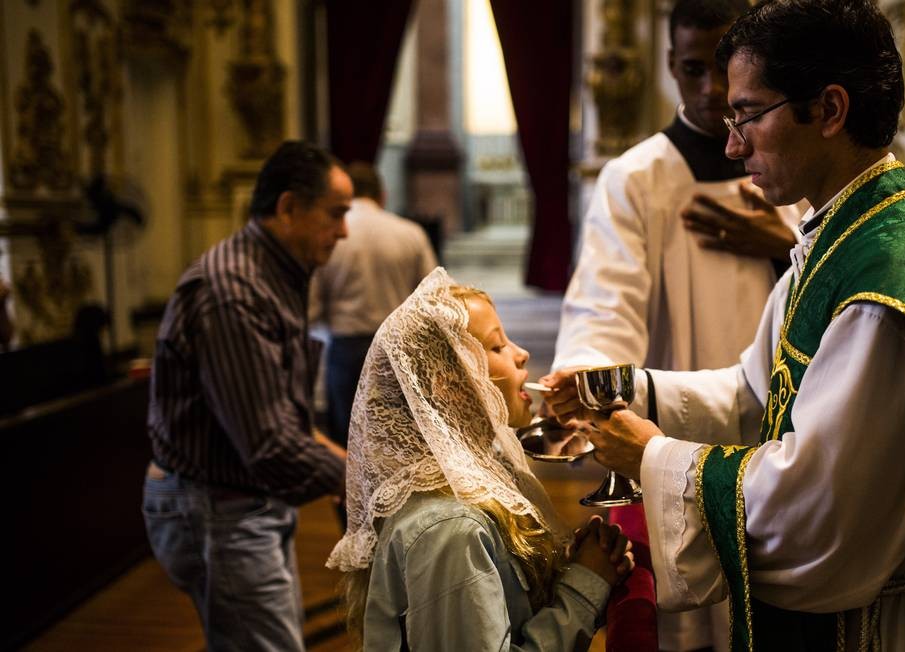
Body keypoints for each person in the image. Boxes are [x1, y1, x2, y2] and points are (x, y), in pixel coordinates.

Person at [546, 1, 905, 649]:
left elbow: (813, 512)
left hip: (871, 627)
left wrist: (652, 455)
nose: (732, 143)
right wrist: (624, 385)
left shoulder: (889, 276)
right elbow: (754, 395)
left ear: (830, 110)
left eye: (749, 114)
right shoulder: (841, 232)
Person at [549, 1, 800, 649]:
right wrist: (592, 385)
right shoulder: (636, 178)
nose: (713, 90)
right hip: (673, 445)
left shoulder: (789, 171)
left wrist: (784, 243)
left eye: (725, 68)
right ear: (669, 66)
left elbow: (827, 279)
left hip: (779, 447)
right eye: (694, 69)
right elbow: (603, 311)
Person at [326, 268, 634, 651]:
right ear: (450, 385)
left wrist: (571, 572)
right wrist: (585, 588)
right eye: (497, 346)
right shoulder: (449, 528)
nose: (522, 354)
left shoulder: (480, 480)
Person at [143, 140, 352, 651]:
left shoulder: (273, 273)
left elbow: (287, 422)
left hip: (243, 501)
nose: (344, 231)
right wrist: (374, 480)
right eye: (336, 214)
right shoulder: (234, 290)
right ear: (288, 208)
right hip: (216, 508)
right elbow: (270, 444)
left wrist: (362, 469)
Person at [309, 161, 437, 527]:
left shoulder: (334, 235)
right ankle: (402, 531)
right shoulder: (409, 233)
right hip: (401, 352)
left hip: (346, 353)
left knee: (350, 449)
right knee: (402, 447)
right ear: (383, 194)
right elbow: (432, 298)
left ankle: (354, 533)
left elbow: (313, 308)